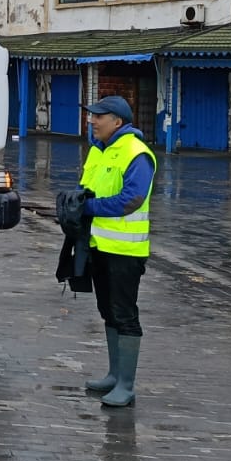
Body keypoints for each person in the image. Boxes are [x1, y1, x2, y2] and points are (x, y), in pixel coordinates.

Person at [77, 95, 154, 408]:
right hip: (99, 245)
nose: (92, 121)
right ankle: (113, 374)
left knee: (124, 314)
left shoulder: (137, 153)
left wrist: (89, 208)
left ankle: (126, 384)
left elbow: (131, 199)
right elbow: (86, 190)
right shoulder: (99, 150)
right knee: (107, 310)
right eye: (92, 116)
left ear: (117, 122)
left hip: (125, 250)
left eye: (99, 117)